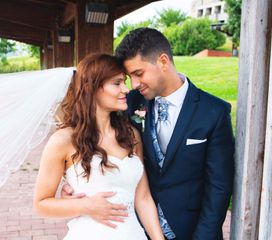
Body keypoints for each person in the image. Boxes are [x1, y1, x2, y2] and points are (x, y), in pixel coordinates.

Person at [62, 28, 235, 239]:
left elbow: (219, 186)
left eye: (138, 74)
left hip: (191, 230)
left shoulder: (213, 112)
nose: (133, 85)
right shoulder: (128, 102)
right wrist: (76, 186)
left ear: (163, 61)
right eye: (129, 77)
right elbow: (94, 138)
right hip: (135, 227)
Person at [33, 53, 165, 240]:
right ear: (92, 88)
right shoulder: (63, 140)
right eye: (117, 83)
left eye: (124, 82)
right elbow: (41, 204)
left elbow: (142, 198)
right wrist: (85, 206)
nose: (126, 89)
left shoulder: (130, 135)